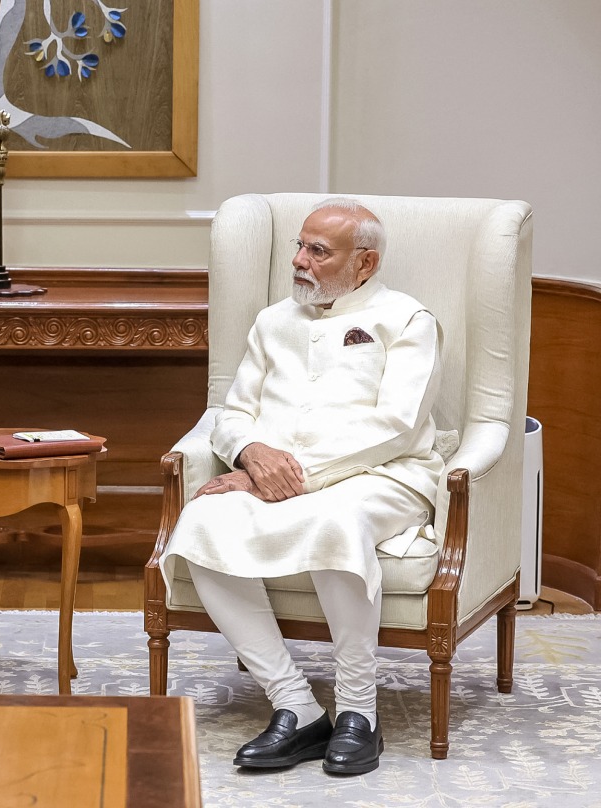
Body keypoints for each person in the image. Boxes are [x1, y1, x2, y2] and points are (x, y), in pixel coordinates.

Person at [160, 198, 443, 776]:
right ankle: (295, 705)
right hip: (269, 477)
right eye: (300, 246)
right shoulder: (273, 321)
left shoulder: (408, 320)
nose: (299, 261)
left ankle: (359, 711)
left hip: (385, 475)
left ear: (365, 262)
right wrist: (250, 453)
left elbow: (397, 426)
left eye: (318, 251)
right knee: (200, 522)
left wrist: (289, 476)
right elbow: (232, 413)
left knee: (334, 520)